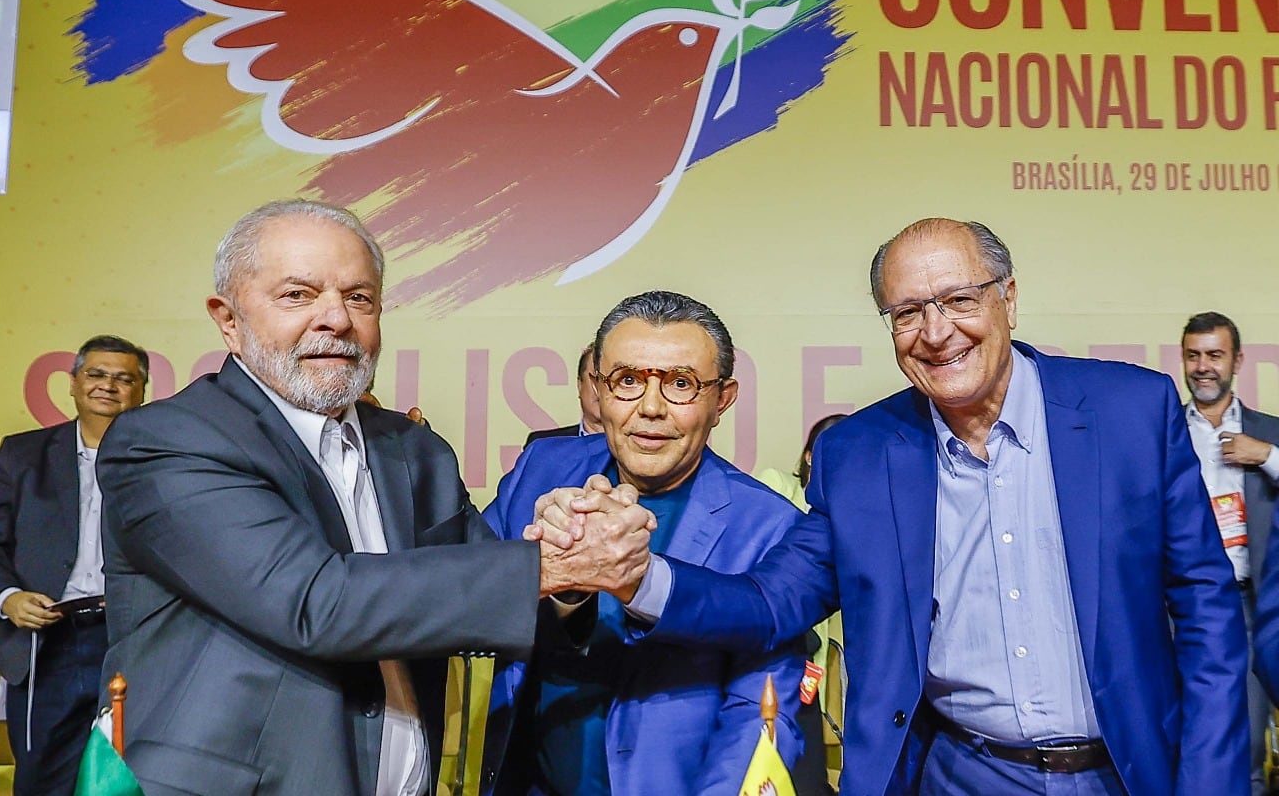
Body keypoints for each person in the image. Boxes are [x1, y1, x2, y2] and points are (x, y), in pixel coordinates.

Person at [533, 218, 1249, 794]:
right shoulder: (862, 453)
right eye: (908, 311)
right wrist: (634, 577)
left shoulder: (1129, 410)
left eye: (961, 300)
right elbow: (774, 601)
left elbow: (1207, 610)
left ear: (1009, 297)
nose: (937, 332)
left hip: (1127, 771)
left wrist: (1213, 783)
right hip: (959, 772)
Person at [94, 199, 650, 796]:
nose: (335, 319)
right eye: (298, 295)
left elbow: (492, 607)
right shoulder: (166, 441)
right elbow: (316, 602)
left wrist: (569, 564)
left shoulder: (415, 451)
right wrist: (545, 567)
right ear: (227, 318)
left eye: (359, 297)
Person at [482, 290, 805, 795]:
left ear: (723, 399)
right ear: (598, 388)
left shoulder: (768, 526)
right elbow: (469, 590)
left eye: (681, 384)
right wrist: (553, 574)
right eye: (628, 381)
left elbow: (761, 709)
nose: (650, 408)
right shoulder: (541, 470)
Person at [0, 335, 147, 796]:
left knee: (131, 773)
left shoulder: (162, 460)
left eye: (124, 378)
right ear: (74, 383)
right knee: (43, 778)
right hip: (47, 641)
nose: (109, 386)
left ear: (143, 390)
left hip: (132, 639)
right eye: (97, 374)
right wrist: (8, 598)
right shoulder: (21, 455)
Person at [1180, 311, 1279, 795]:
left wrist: (1265, 455)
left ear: (1237, 361)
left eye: (1214, 355)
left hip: (1252, 606)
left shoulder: (1269, 432)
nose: (1203, 367)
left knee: (1249, 745)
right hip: (1181, 608)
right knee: (1185, 737)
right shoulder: (1165, 432)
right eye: (1194, 356)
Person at [755, 412, 847, 794]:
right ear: (810, 455)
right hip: (769, 647)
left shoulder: (849, 510)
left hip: (817, 650)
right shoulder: (777, 485)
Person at [524, 345, 604, 446]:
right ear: (580, 385)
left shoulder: (630, 448)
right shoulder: (542, 446)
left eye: (613, 380)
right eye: (596, 379)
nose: (602, 389)